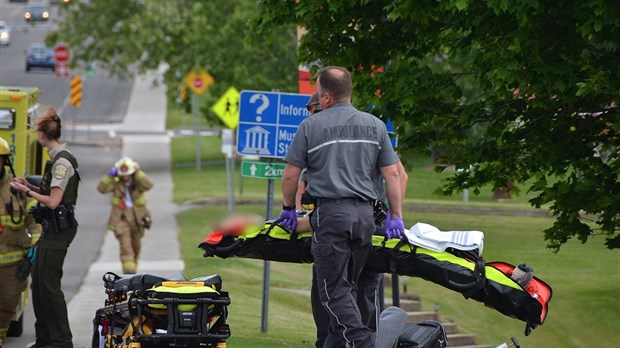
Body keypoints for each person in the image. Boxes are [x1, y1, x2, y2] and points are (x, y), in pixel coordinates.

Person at [280, 66, 404, 348]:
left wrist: (288, 207)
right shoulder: (375, 125)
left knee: (333, 292)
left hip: (332, 218)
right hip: (366, 219)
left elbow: (290, 175)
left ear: (324, 98)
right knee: (349, 287)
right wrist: (396, 216)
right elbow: (393, 174)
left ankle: (362, 343)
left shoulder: (310, 127)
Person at [10, 106, 80, 348]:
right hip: (51, 229)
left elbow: (53, 201)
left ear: (42, 134)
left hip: (59, 231)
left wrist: (27, 191)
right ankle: (45, 339)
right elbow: (49, 193)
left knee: (49, 287)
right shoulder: (56, 159)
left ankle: (61, 341)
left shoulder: (62, 162)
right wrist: (28, 184)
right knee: (39, 284)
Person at [0, 137, 41, 347]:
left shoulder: (18, 190)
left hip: (12, 264)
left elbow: (35, 222)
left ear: (4, 162)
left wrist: (35, 248)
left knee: (8, 303)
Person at [97, 156, 153, 274]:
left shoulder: (138, 182)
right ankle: (129, 274)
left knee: (136, 247)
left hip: (138, 219)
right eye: (123, 174)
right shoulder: (116, 183)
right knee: (126, 247)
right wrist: (110, 176)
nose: (125, 177)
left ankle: (133, 271)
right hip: (121, 219)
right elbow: (101, 189)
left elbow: (149, 185)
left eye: (128, 174)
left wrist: (138, 172)